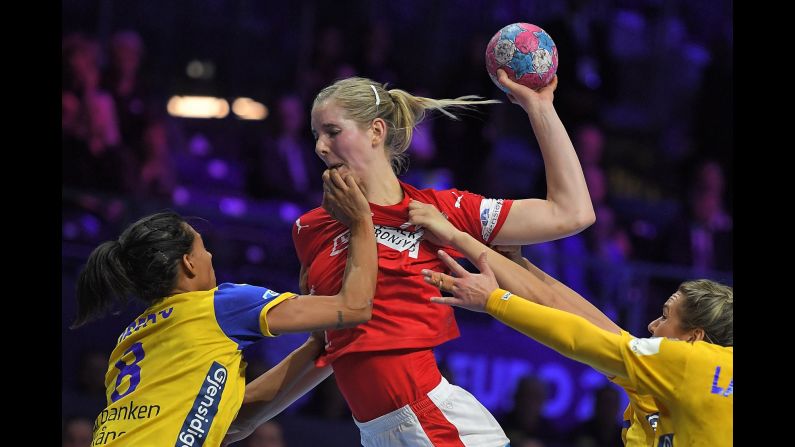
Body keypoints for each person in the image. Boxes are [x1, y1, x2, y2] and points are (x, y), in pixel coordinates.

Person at [233, 69, 595, 446]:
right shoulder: (310, 229)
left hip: (432, 422)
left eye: (333, 132)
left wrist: (541, 108)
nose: (320, 147)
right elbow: (326, 344)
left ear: (376, 132)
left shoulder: (441, 211)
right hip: (377, 433)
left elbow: (571, 213)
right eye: (316, 136)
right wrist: (243, 418)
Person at [71, 169, 377, 447]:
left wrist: (317, 345)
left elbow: (235, 421)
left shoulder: (129, 340)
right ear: (188, 263)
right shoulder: (219, 305)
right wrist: (362, 220)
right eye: (202, 246)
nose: (211, 255)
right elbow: (355, 307)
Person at [409, 201, 732, 446]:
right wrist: (518, 265)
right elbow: (576, 317)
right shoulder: (671, 377)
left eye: (664, 316)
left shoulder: (684, 361)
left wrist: (493, 300)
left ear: (694, 337)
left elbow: (577, 337)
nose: (650, 325)